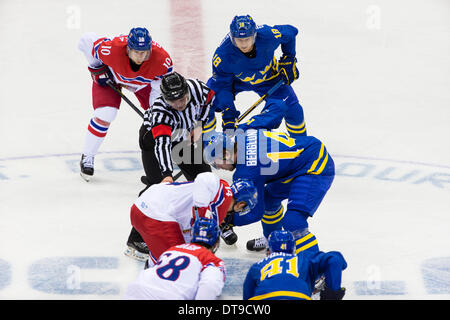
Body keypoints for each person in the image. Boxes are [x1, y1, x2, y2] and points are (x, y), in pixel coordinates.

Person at [125, 71, 223, 260]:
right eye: (173, 102)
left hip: (180, 137)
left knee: (203, 176)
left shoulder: (196, 88)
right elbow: (162, 145)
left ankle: (207, 223)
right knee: (157, 190)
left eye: (182, 99)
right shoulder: (161, 111)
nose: (179, 104)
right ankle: (135, 239)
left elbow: (210, 98)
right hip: (152, 141)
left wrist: (198, 125)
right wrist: (166, 174)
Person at [204, 129, 334, 253]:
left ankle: (315, 267)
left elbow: (255, 212)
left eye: (216, 163)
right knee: (268, 200)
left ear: (226, 154)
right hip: (301, 160)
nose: (218, 168)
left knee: (293, 220)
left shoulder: (246, 171)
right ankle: (273, 241)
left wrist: (229, 219)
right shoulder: (244, 134)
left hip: (314, 166)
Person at [78, 27, 173, 181]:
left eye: (144, 52)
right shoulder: (111, 49)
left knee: (161, 117)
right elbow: (86, 39)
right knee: (105, 114)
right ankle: (88, 156)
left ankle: (166, 155)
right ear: (128, 49)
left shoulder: (162, 61)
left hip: (143, 84)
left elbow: (158, 89)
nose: (140, 57)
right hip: (113, 78)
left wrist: (154, 111)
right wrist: (96, 67)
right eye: (137, 52)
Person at [206, 15, 306, 138]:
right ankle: (205, 141)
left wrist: (289, 59)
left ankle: (302, 144)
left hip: (269, 78)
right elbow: (223, 87)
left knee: (293, 108)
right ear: (232, 38)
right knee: (205, 100)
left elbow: (291, 32)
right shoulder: (222, 56)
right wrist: (229, 113)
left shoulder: (268, 35)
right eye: (239, 40)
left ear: (254, 35)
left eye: (247, 39)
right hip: (235, 81)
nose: (243, 45)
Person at [128, 172, 257, 265]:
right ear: (241, 204)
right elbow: (204, 178)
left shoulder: (218, 209)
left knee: (175, 255)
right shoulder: (221, 188)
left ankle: (152, 270)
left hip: (143, 209)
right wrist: (200, 213)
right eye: (243, 208)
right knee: (180, 262)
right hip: (156, 214)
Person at [124, 217, 226, 300]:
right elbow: (210, 285)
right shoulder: (212, 260)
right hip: (170, 295)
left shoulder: (172, 250)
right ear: (216, 243)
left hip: (137, 289)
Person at [243, 230, 347, 300]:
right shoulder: (304, 259)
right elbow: (334, 260)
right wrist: (332, 291)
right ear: (294, 249)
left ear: (269, 251)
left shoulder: (257, 266)